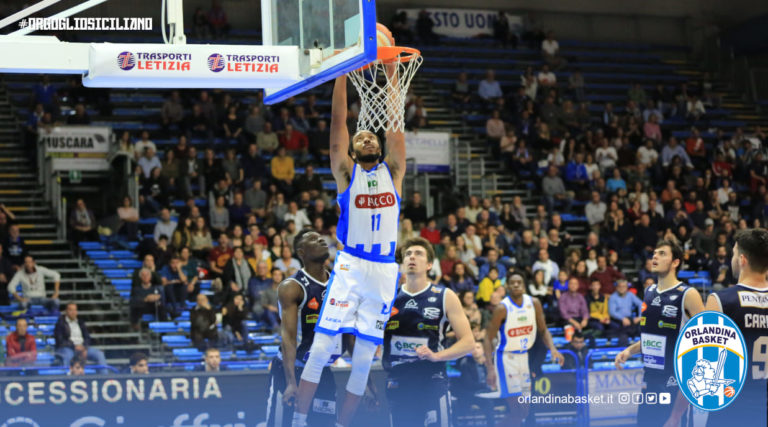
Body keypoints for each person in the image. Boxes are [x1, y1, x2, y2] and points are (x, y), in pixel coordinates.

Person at [292, 73, 407, 427]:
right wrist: (341, 73)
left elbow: (395, 123)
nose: (368, 136)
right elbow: (338, 123)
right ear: (354, 152)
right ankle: (297, 422)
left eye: (372, 135)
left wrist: (391, 77)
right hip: (352, 264)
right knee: (323, 347)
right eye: (361, 137)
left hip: (386, 270)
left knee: (363, 359)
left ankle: (342, 425)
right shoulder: (346, 173)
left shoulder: (395, 170)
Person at [382, 238, 474, 426]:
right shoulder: (388, 298)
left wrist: (437, 356)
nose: (411, 257)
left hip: (432, 380)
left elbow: (468, 342)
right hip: (398, 381)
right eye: (408, 254)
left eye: (418, 254)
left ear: (430, 265)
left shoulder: (445, 296)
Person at [615, 240, 704, 427]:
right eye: (654, 253)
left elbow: (705, 344)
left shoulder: (688, 294)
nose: (655, 256)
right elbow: (652, 340)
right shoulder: (649, 292)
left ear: (675, 262)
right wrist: (628, 351)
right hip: (649, 384)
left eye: (662, 253)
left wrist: (676, 414)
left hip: (675, 387)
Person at [266, 230, 341, 427]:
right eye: (314, 240)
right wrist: (291, 382)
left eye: (321, 238)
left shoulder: (340, 284)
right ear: (302, 252)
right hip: (294, 369)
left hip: (322, 370)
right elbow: (288, 338)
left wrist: (365, 382)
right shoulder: (292, 286)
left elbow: (349, 333)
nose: (322, 241)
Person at [703, 229, 768, 427]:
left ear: (742, 259)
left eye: (733, 254)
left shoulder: (720, 301)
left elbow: (704, 361)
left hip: (731, 408)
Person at [484, 272, 564, 427]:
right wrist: (490, 367)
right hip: (506, 359)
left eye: (519, 282)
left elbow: (543, 330)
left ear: (524, 285)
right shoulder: (502, 308)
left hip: (524, 358)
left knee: (525, 412)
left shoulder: (534, 303)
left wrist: (553, 349)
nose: (515, 285)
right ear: (507, 286)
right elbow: (487, 338)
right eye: (512, 283)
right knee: (516, 410)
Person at [54, 302, 108, 372]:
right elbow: (60, 341)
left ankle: (104, 378)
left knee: (99, 354)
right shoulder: (60, 323)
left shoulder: (81, 322)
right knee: (68, 355)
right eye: (71, 310)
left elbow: (87, 337)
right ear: (66, 311)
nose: (73, 312)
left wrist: (84, 347)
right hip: (67, 348)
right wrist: (75, 347)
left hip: (82, 347)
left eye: (75, 310)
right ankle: (67, 378)